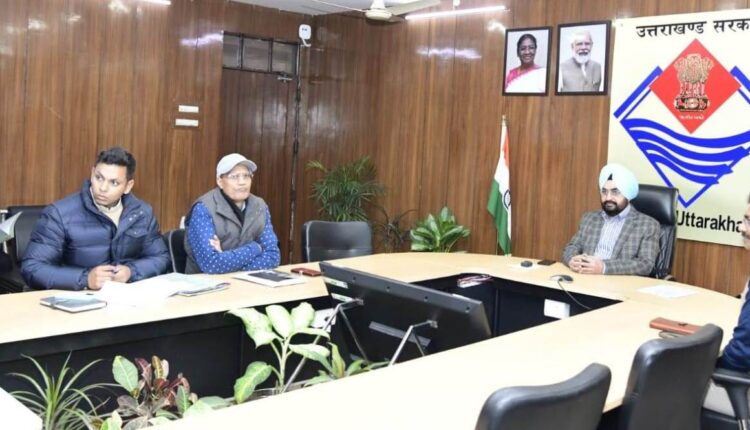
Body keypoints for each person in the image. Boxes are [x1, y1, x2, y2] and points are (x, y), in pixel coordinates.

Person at [21, 147, 170, 290]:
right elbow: (33, 268)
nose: (103, 188)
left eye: (114, 183)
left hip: (126, 298)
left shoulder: (142, 213)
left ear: (128, 186)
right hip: (76, 298)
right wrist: (85, 279)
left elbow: (160, 257)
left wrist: (131, 272)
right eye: (99, 178)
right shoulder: (59, 214)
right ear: (92, 173)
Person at [184, 153, 280, 274]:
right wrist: (256, 247)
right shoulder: (203, 209)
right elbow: (212, 265)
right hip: (206, 282)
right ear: (220, 181)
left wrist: (226, 260)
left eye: (246, 176)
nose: (242, 182)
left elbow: (273, 257)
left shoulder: (259, 206)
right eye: (234, 177)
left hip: (247, 282)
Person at [562, 163, 659, 276]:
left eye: (615, 192)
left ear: (627, 194)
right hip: (583, 278)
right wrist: (572, 260)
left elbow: (645, 264)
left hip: (618, 283)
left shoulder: (648, 225)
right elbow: (571, 247)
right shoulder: (589, 218)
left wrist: (604, 267)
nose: (608, 198)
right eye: (604, 191)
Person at [703, 197, 750, 416]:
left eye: (748, 221)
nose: (741, 227)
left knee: (664, 381)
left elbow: (742, 352)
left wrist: (715, 363)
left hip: (741, 388)